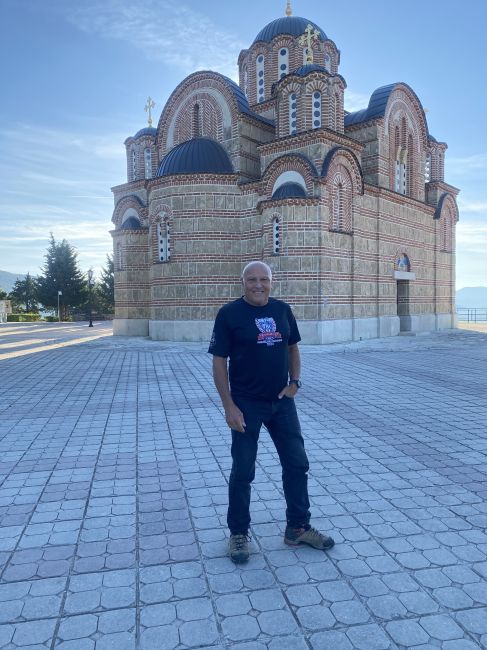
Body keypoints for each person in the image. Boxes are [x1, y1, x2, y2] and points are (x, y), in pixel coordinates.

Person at [208, 261, 335, 563]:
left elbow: (292, 347)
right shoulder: (229, 314)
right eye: (252, 279)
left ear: (271, 282)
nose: (258, 284)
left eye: (263, 279)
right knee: (243, 470)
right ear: (243, 282)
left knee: (297, 464)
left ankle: (297, 527)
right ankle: (238, 533)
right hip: (246, 404)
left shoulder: (282, 310)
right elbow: (218, 362)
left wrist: (295, 382)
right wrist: (229, 406)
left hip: (281, 402)